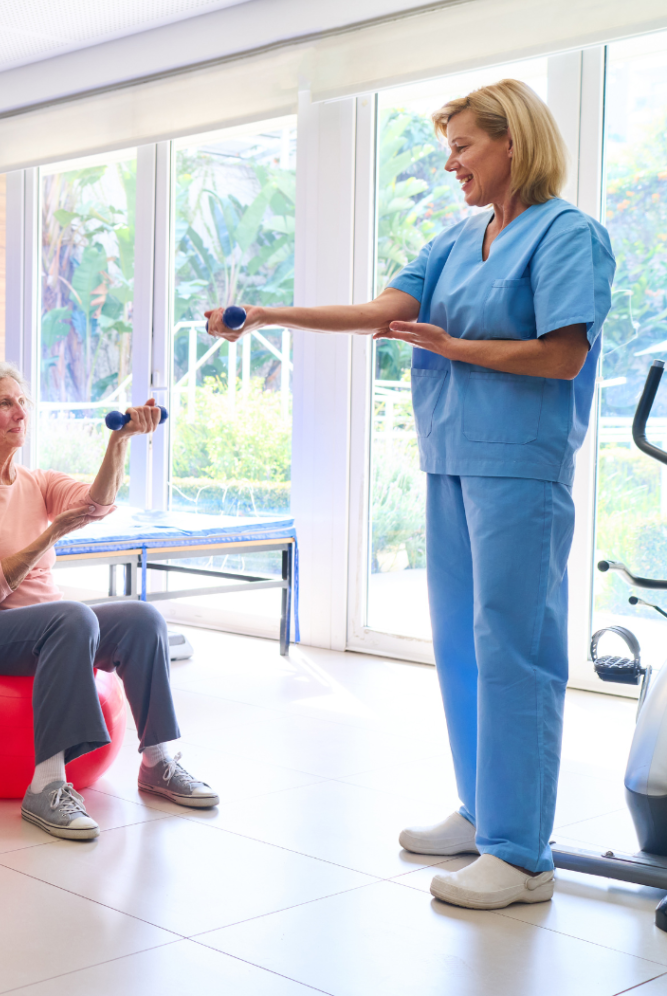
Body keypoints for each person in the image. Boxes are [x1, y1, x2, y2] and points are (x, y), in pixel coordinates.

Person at [206, 79, 615, 911]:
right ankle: (483, 813)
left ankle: (522, 855)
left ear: (512, 142)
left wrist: (456, 347)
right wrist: (267, 315)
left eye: (463, 146)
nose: (451, 163)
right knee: (462, 644)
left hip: (520, 463)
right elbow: (379, 312)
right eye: (449, 148)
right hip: (451, 455)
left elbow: (563, 355)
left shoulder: (569, 234)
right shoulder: (456, 239)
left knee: (516, 649)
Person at [0, 363, 218, 840]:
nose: (21, 413)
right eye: (5, 404)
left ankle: (158, 761)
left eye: (22, 402)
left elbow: (95, 504)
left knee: (142, 619)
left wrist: (119, 442)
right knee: (71, 618)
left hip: (47, 629)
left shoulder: (35, 481)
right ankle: (46, 787)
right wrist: (50, 534)